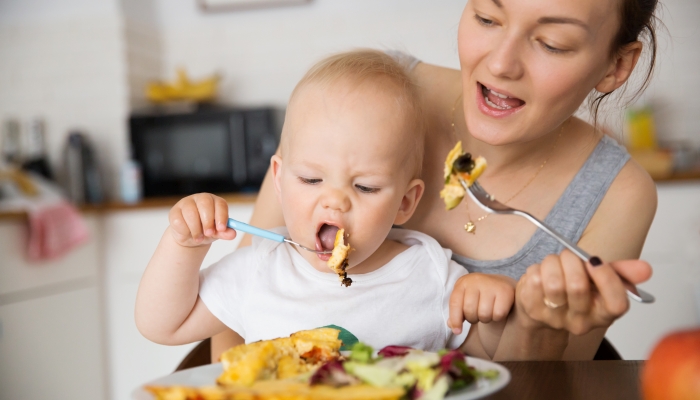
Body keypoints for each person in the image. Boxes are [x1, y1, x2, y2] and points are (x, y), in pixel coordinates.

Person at [211, 0, 659, 361]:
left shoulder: (617, 194)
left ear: (615, 66)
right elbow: (239, 309)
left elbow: (542, 381)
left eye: (553, 43)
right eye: (487, 17)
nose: (501, 64)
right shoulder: (366, 94)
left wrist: (539, 327)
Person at [134, 50, 518, 355]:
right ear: (280, 181)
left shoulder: (431, 275)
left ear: (405, 202)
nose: (334, 201)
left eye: (365, 187)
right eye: (311, 179)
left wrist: (490, 312)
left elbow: (485, 362)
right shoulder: (260, 269)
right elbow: (162, 325)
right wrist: (183, 245)